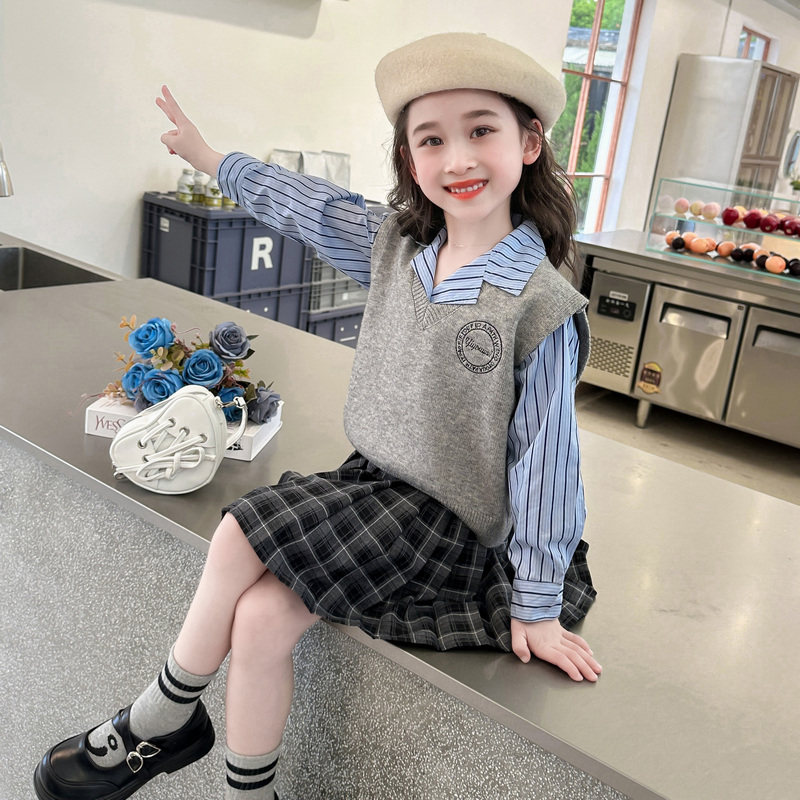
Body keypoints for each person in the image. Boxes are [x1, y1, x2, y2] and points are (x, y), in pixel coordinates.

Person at [33, 31, 601, 800]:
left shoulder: (542, 305)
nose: (458, 159)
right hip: (373, 488)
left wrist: (535, 607)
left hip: (448, 523)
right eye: (432, 140)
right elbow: (306, 206)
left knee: (239, 530)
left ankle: (159, 719)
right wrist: (211, 158)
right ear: (409, 159)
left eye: (481, 131)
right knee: (261, 621)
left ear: (529, 143)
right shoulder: (396, 246)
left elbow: (547, 463)